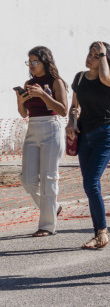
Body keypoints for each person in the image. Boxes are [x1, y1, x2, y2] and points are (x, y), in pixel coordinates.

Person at [67, 42, 110, 248]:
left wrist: (102, 54)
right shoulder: (80, 78)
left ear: (105, 59)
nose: (90, 58)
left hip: (105, 135)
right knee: (90, 184)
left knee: (91, 182)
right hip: (84, 137)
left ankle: (102, 233)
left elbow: (105, 78)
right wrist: (71, 122)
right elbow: (74, 106)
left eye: (96, 55)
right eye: (90, 54)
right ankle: (99, 232)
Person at [17, 46, 68, 237]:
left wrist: (43, 95)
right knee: (27, 179)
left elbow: (63, 110)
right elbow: (24, 113)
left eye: (34, 61)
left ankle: (47, 226)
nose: (31, 65)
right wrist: (20, 100)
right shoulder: (28, 83)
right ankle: (54, 207)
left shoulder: (56, 82)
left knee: (48, 178)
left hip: (52, 128)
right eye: (29, 62)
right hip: (33, 128)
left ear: (45, 61)